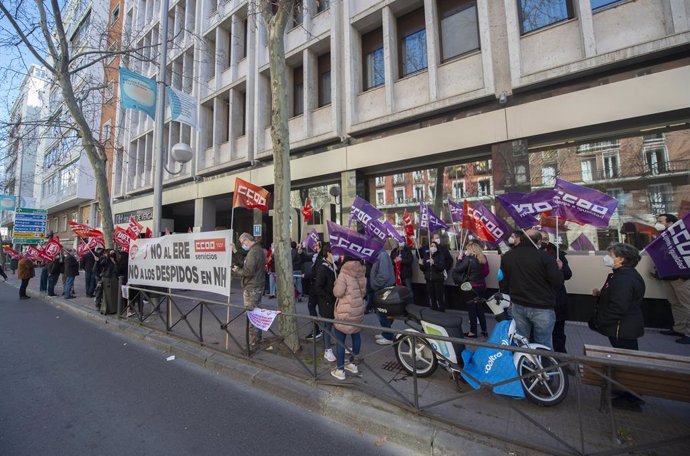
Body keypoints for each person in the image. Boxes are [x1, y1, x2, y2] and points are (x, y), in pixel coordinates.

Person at [591, 243, 645, 410]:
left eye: (611, 255)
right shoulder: (620, 276)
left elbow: (619, 306)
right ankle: (624, 390)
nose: (607, 257)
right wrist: (601, 295)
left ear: (621, 259)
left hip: (622, 328)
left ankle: (632, 397)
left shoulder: (625, 278)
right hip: (620, 327)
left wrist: (601, 322)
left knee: (627, 360)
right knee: (622, 358)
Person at [499, 228, 564, 349]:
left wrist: (507, 299)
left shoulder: (508, 256)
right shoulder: (545, 257)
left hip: (517, 305)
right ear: (539, 241)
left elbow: (503, 280)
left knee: (521, 341)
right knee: (543, 344)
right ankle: (544, 366)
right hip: (542, 307)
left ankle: (523, 365)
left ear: (521, 239)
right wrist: (559, 269)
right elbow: (557, 282)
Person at [654, 213, 690, 344]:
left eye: (660, 221)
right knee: (675, 303)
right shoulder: (663, 236)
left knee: (687, 305)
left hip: (682, 277)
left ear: (669, 222)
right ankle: (679, 328)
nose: (657, 223)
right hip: (668, 276)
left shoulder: (681, 235)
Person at [331, 256, 367, 380]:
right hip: (358, 310)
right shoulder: (361, 272)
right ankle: (353, 364)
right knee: (356, 336)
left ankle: (340, 370)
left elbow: (338, 293)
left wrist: (336, 283)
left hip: (345, 312)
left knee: (340, 341)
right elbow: (363, 292)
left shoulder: (344, 273)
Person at [232, 233, 267, 350]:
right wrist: (235, 251)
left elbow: (248, 271)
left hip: (252, 287)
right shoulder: (257, 250)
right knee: (256, 314)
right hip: (257, 285)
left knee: (252, 315)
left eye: (242, 243)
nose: (243, 245)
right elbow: (246, 264)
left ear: (246, 240)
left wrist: (237, 271)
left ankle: (253, 343)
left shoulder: (253, 252)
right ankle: (257, 340)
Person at [541, 232, 573, 353]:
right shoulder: (532, 255)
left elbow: (568, 274)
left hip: (557, 300)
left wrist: (560, 268)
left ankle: (562, 360)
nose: (544, 242)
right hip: (540, 301)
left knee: (558, 334)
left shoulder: (557, 254)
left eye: (546, 239)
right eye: (541, 239)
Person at [452, 241, 489, 338]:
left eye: (467, 249)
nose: (466, 251)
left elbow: (457, 269)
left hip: (470, 288)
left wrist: (459, 259)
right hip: (481, 286)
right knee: (480, 309)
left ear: (470, 249)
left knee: (472, 310)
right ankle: (484, 331)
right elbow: (486, 272)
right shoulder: (482, 258)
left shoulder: (469, 259)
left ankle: (473, 332)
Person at [312, 244, 338, 362]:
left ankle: (337, 346)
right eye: (334, 253)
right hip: (326, 303)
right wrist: (328, 298)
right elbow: (318, 287)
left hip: (332, 301)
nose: (336, 256)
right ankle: (327, 350)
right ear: (328, 253)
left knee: (333, 325)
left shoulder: (332, 265)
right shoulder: (323, 268)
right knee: (327, 326)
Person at [371, 239, 396, 345]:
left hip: (383, 288)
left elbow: (384, 275)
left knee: (382, 313)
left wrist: (375, 284)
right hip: (382, 288)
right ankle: (386, 332)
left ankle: (388, 336)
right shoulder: (380, 255)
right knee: (381, 313)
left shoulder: (382, 255)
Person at [419, 240, 448, 312]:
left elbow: (442, 267)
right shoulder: (427, 255)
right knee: (431, 296)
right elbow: (424, 269)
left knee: (439, 296)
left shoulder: (440, 255)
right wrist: (421, 264)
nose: (433, 247)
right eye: (431, 246)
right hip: (429, 279)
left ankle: (441, 310)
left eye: (434, 246)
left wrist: (434, 263)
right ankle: (434, 309)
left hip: (438, 279)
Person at [303, 241, 323, 340]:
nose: (314, 246)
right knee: (316, 308)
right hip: (316, 287)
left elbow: (316, 273)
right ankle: (320, 329)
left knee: (312, 306)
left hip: (317, 287)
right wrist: (300, 251)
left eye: (317, 245)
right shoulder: (316, 257)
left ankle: (317, 330)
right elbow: (306, 257)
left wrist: (306, 275)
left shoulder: (320, 258)